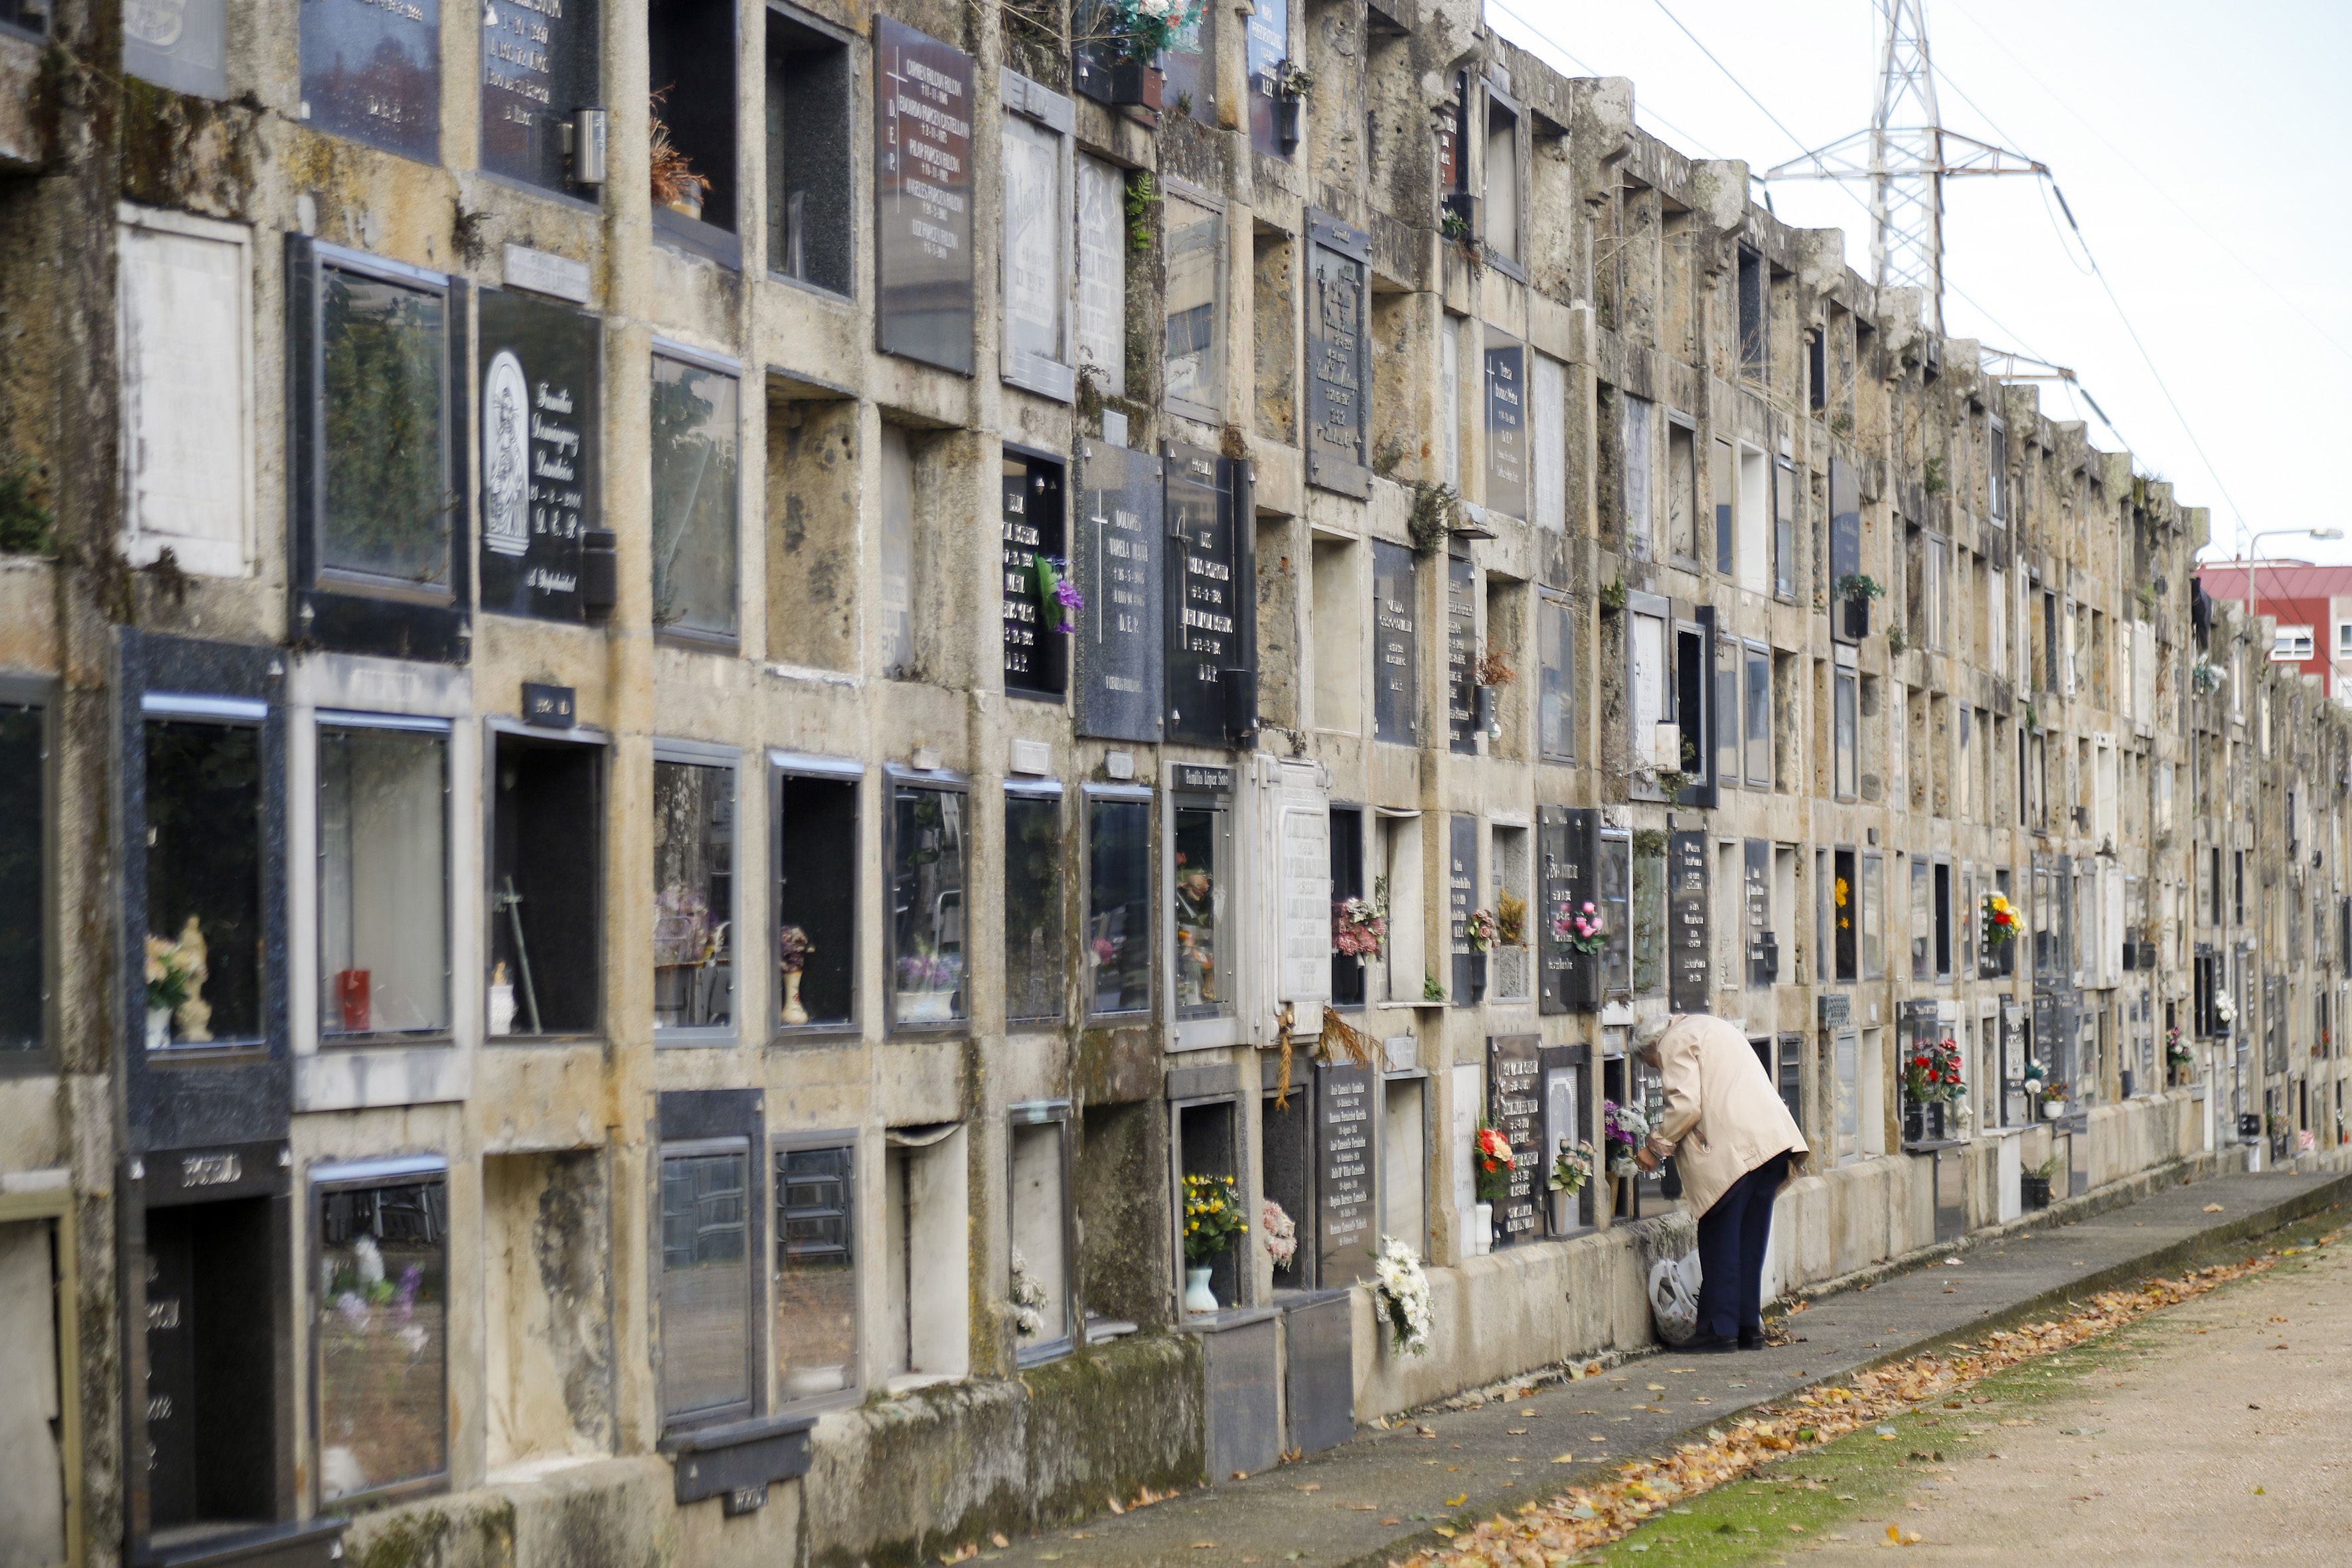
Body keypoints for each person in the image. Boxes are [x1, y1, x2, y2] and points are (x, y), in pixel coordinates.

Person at [1632, 1012, 1808, 1350]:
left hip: (1733, 1151)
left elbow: (1685, 1106)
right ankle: (1747, 1326)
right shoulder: (1712, 1026)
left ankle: (1718, 1329)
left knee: (1720, 1238)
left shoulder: (1673, 1040)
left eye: (1655, 1065)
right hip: (1772, 1142)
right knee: (1750, 1240)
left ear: (1653, 1046)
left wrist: (1655, 1148)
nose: (1659, 1070)